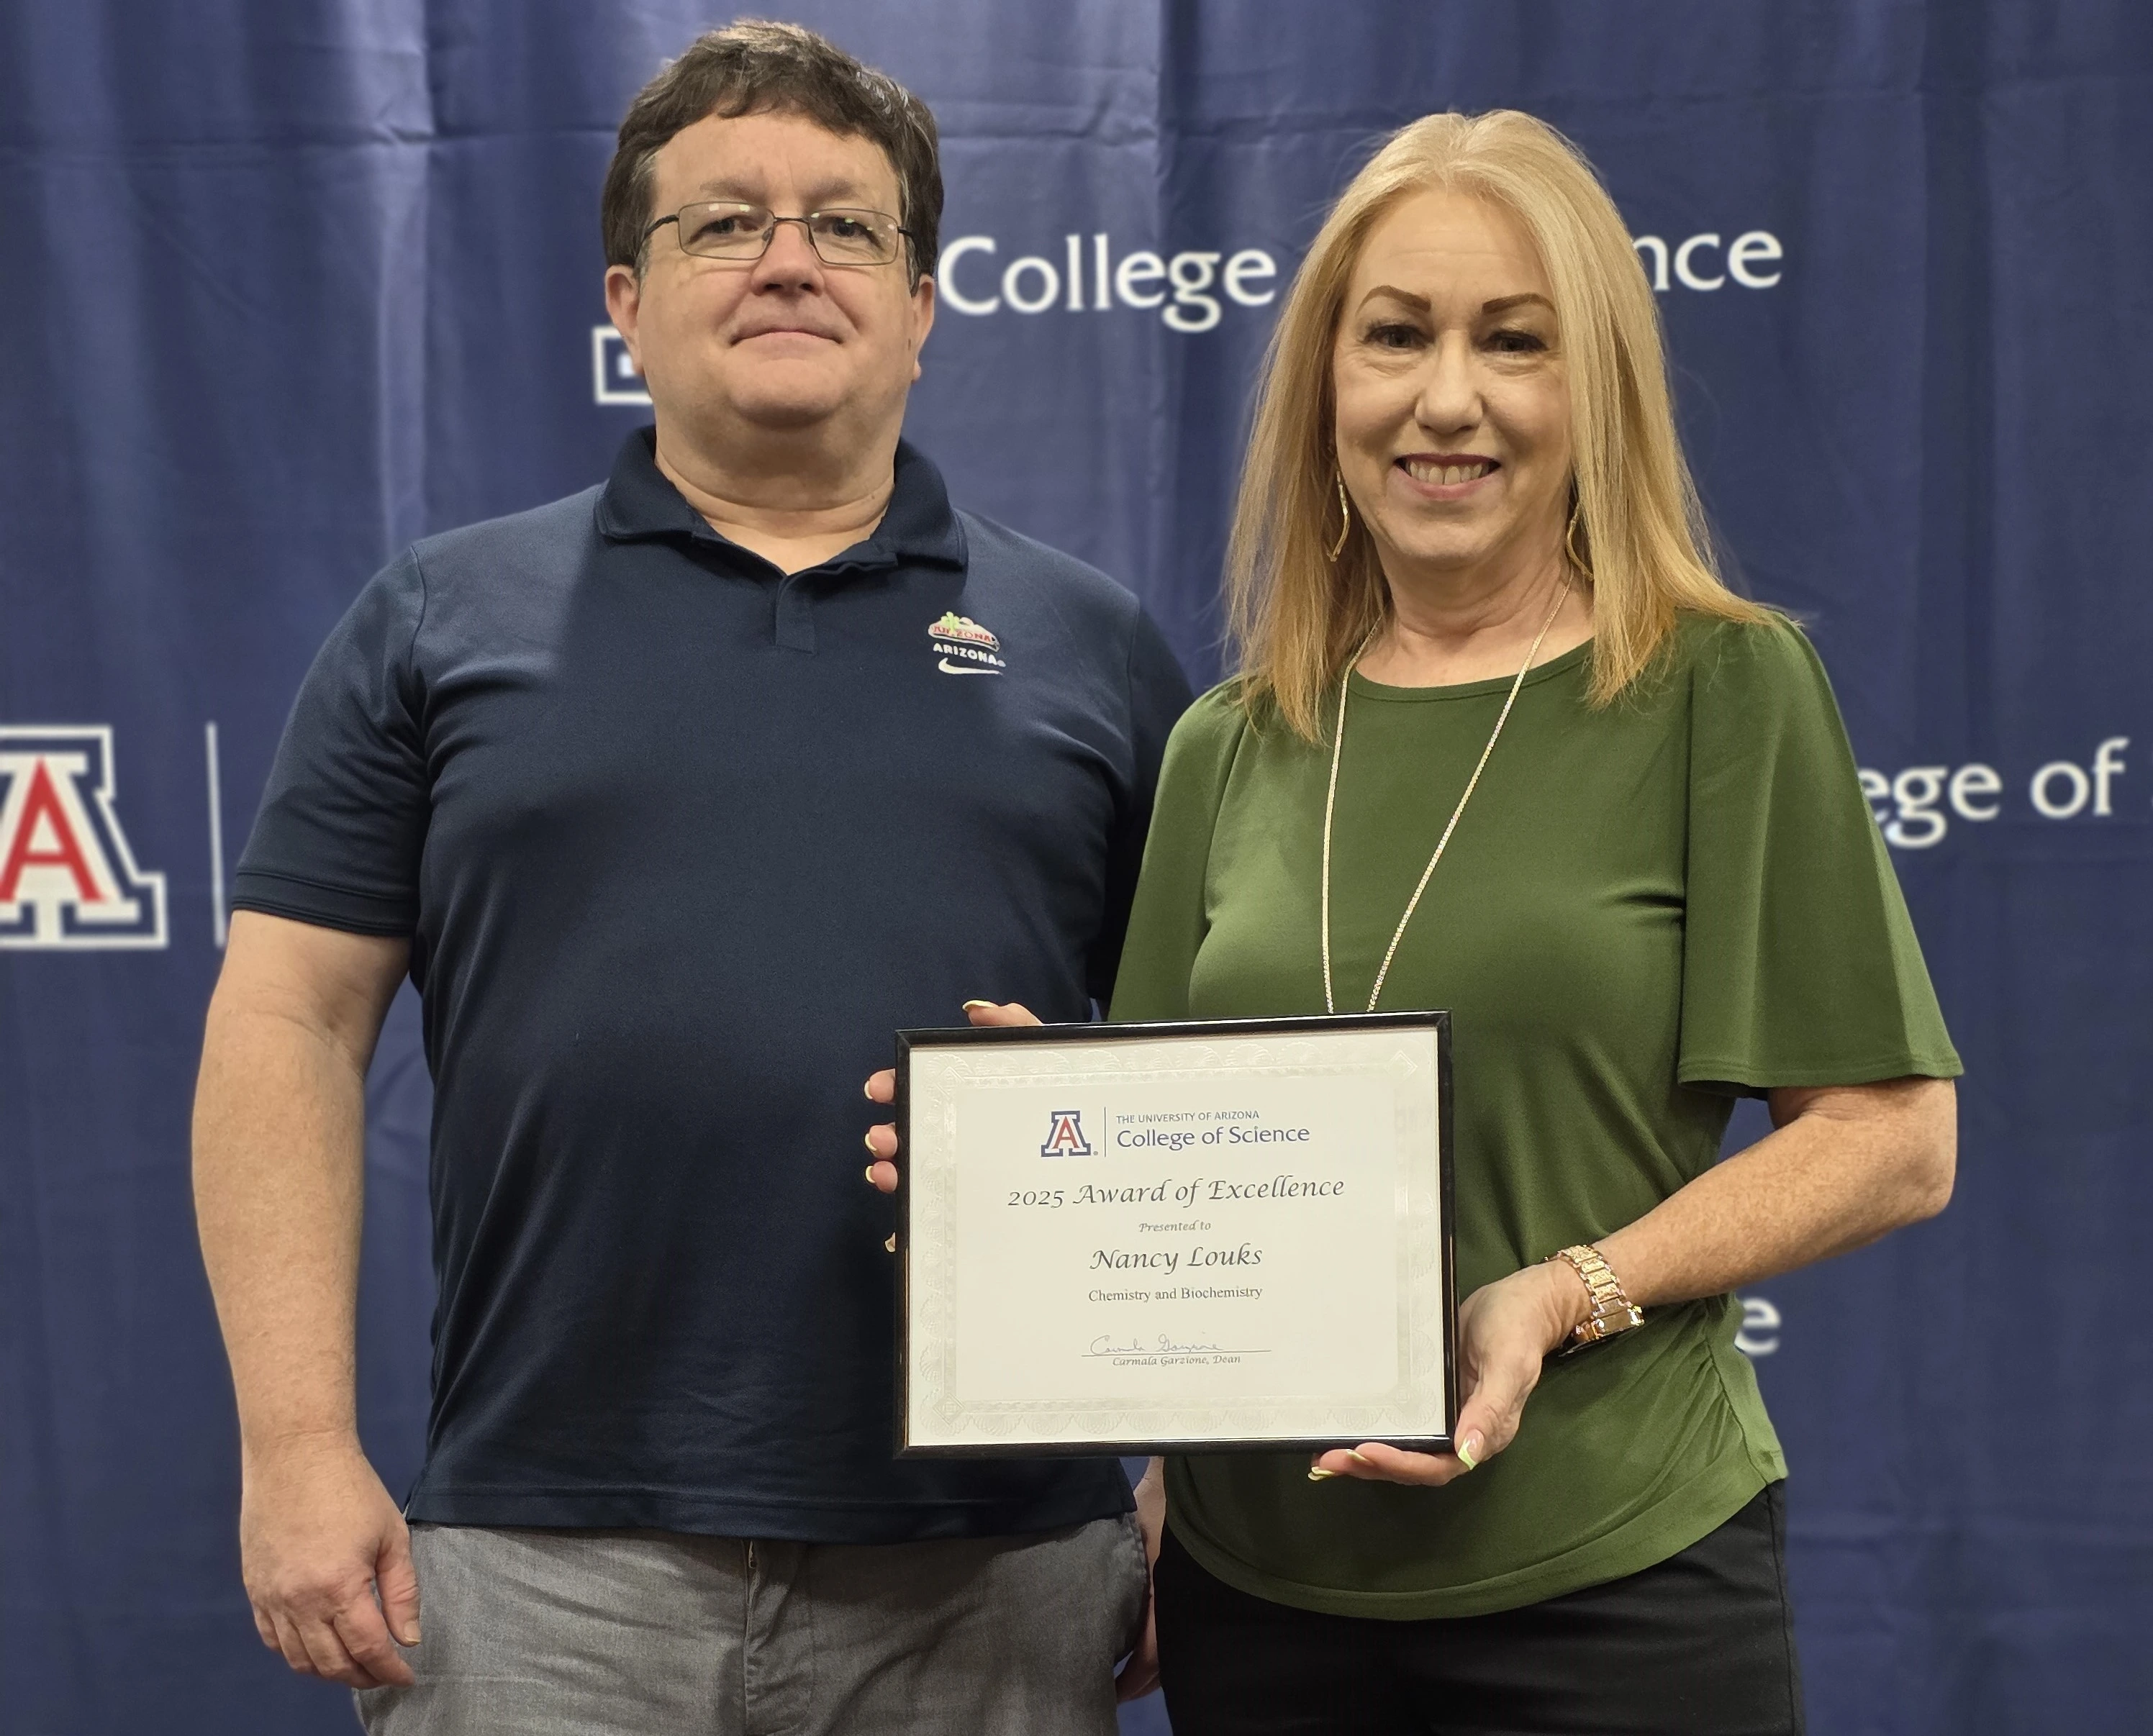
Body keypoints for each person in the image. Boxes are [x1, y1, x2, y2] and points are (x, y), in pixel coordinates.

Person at [868, 109, 1959, 1733]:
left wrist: (1569, 1285)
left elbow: (1887, 1136)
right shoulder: (1225, 745)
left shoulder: (1716, 691)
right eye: (1395, 337)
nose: (1446, 397)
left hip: (1614, 1582)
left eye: (1511, 343)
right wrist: (1037, 1145)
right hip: (1257, 1596)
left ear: (1590, 394)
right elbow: (1184, 1179)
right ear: (1326, 388)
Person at [192, 22, 1186, 1735]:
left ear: (925, 304)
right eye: (721, 223)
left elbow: (1207, 1074)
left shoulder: (1089, 646)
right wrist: (294, 1449)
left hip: (995, 1565)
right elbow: (285, 1021)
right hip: (537, 1570)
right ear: (624, 301)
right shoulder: (441, 620)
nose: (786, 258)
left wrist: (1198, 1467)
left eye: (844, 225)